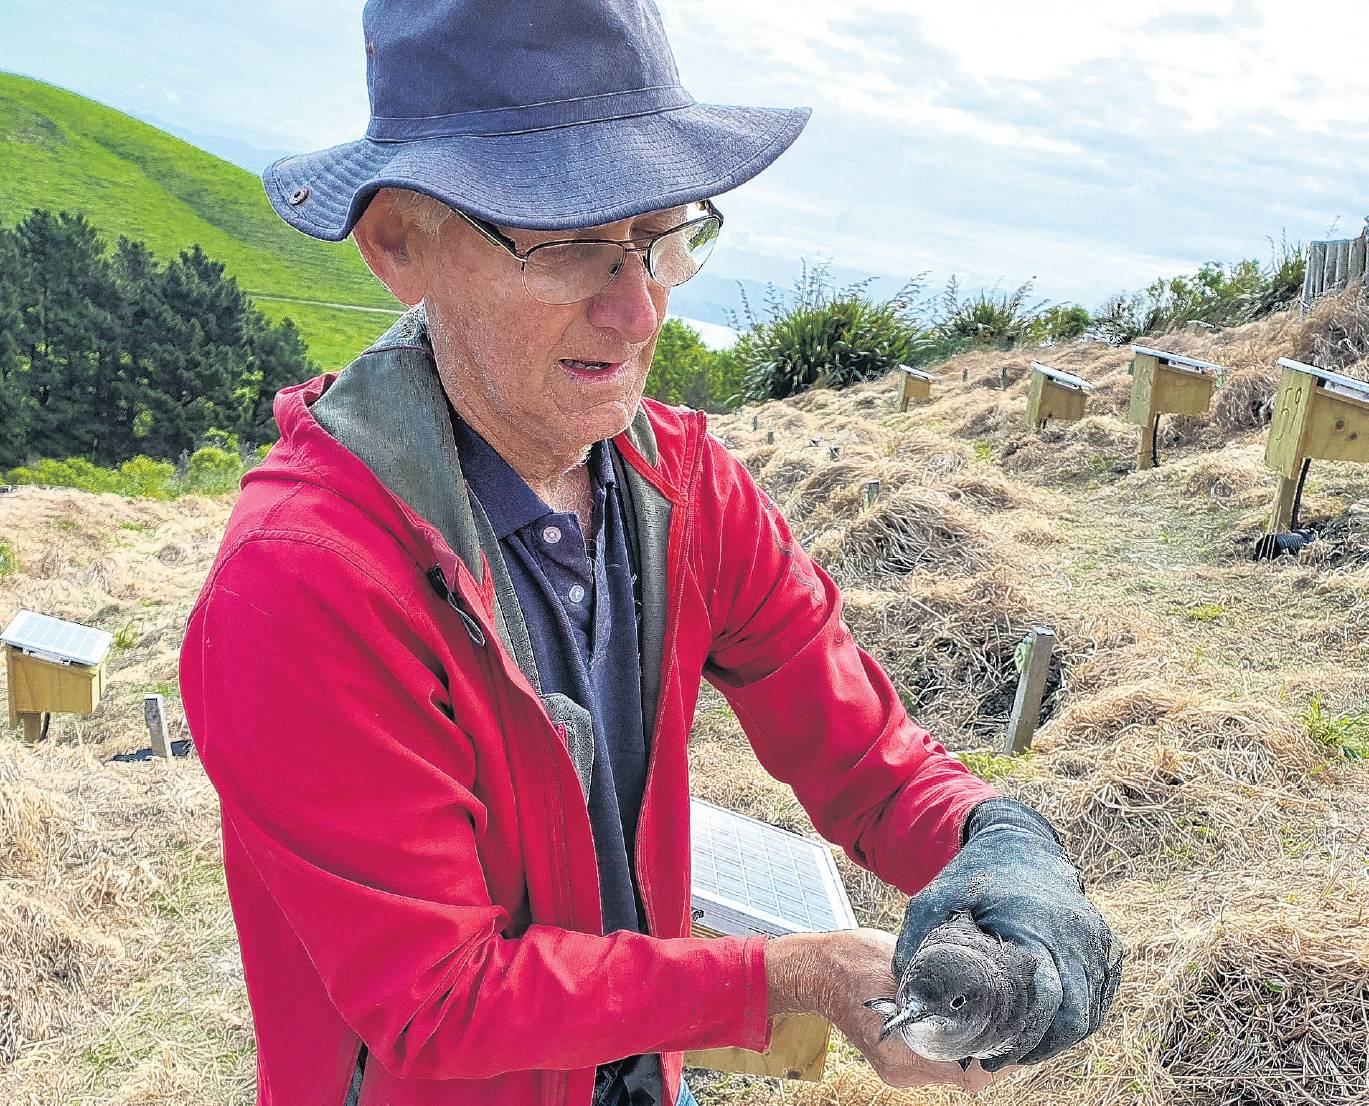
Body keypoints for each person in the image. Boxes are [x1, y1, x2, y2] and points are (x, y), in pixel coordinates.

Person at [179, 2, 1123, 1105]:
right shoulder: (302, 584)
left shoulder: (680, 486)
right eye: (571, 242)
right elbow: (440, 996)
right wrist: (789, 975)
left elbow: (862, 756)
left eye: (662, 237)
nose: (637, 310)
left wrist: (995, 840)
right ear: (399, 241)